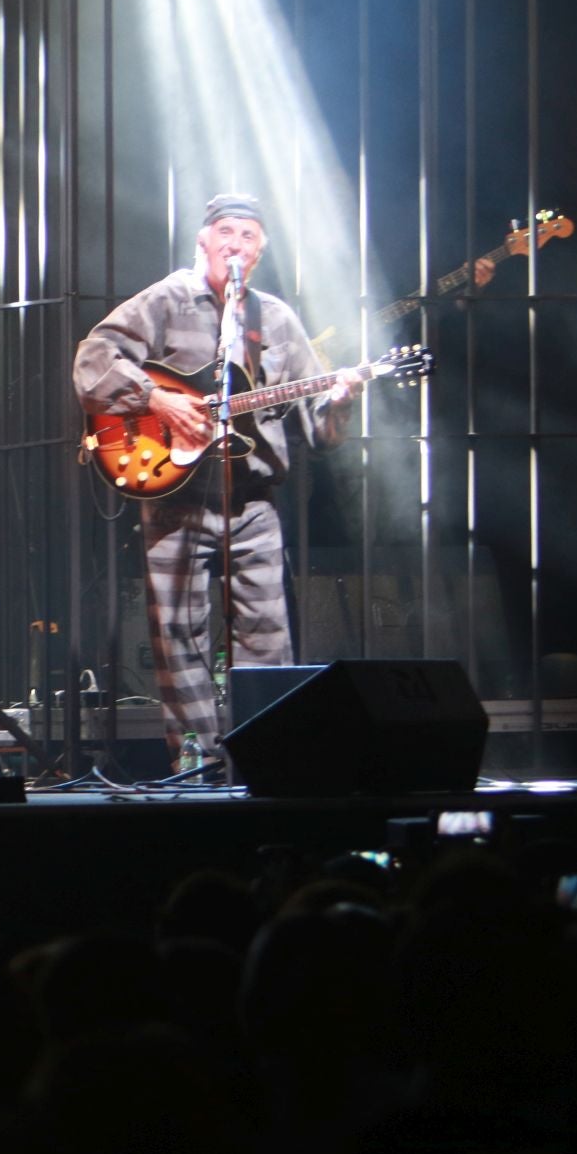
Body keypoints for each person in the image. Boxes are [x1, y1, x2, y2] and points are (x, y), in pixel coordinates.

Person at [72, 193, 362, 766]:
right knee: (178, 637)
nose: (237, 244)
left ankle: (267, 758)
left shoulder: (276, 318)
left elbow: (320, 431)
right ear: (203, 240)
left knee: (267, 636)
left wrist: (341, 402)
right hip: (175, 495)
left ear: (262, 250)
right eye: (226, 232)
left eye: (249, 236)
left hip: (253, 500)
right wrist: (157, 398)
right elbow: (92, 360)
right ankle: (194, 766)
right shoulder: (167, 299)